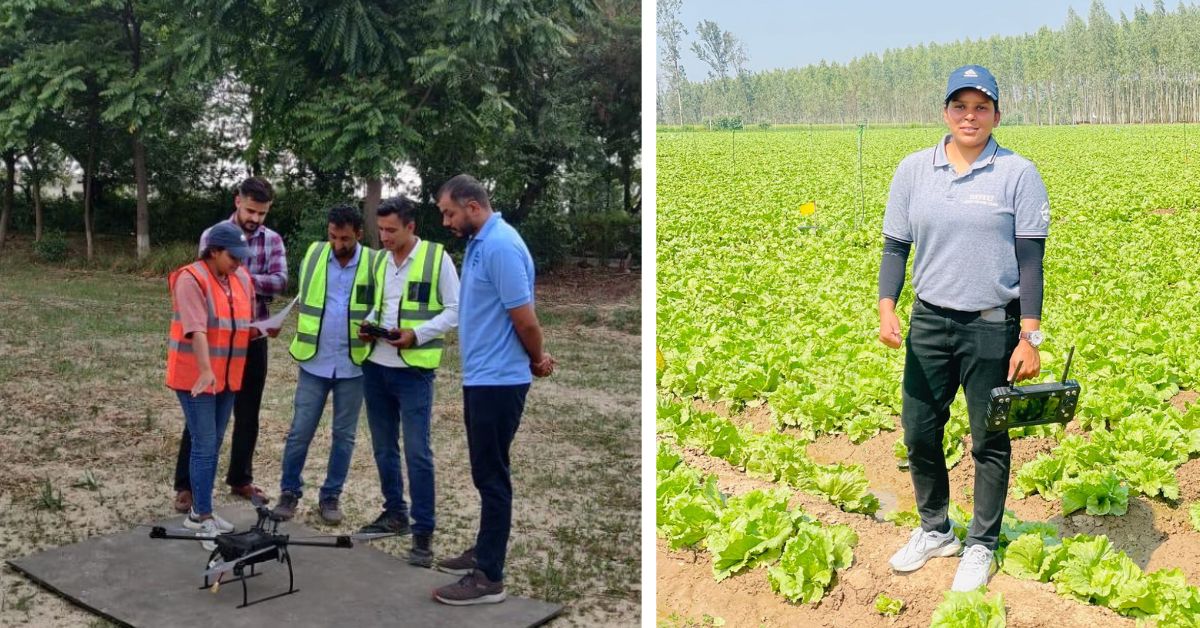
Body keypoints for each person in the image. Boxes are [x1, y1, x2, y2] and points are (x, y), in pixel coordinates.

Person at [879, 65, 1049, 592]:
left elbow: (1030, 263)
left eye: (981, 107)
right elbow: (895, 247)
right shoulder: (913, 170)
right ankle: (935, 529)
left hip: (991, 327)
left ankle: (981, 544)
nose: (969, 116)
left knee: (989, 440)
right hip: (928, 321)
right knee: (919, 431)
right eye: (960, 106)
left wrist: (1029, 336)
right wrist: (888, 305)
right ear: (945, 112)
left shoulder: (1018, 173)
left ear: (997, 114)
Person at [431, 174, 555, 605]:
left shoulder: (500, 246)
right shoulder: (481, 242)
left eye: (449, 212)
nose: (446, 221)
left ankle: (489, 577)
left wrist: (537, 359)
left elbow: (525, 320)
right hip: (482, 377)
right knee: (485, 472)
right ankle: (482, 553)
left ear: (473, 206)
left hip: (499, 381)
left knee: (492, 475)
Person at [355, 196, 460, 569]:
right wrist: (368, 325)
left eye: (391, 230)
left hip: (414, 372)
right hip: (376, 367)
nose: (383, 237)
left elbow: (456, 310)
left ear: (410, 227)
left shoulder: (436, 258)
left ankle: (423, 533)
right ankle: (394, 513)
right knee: (384, 449)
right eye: (380, 229)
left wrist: (418, 334)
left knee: (417, 453)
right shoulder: (381, 261)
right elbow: (380, 304)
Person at [174, 177, 287, 512]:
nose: (255, 218)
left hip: (253, 337)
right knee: (201, 417)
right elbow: (208, 279)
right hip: (214, 342)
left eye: (262, 213)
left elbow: (280, 282)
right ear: (237, 200)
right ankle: (187, 486)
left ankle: (240, 477)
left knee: (247, 411)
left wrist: (239, 275)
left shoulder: (273, 240)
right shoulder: (214, 235)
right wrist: (245, 276)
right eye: (251, 210)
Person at [272, 206, 384, 524]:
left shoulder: (375, 262)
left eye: (345, 238)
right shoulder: (315, 253)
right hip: (314, 361)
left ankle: (331, 496)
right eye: (333, 236)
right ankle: (289, 492)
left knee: (343, 436)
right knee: (298, 433)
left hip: (354, 365)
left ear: (359, 234)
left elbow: (385, 304)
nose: (337, 244)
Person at [166, 222, 259, 543]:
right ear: (214, 251)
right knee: (204, 444)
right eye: (233, 256)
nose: (239, 262)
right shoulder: (191, 279)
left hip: (227, 378)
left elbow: (238, 323)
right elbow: (197, 330)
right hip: (196, 378)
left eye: (241, 257)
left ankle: (203, 510)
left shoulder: (240, 278)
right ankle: (200, 515)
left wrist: (261, 328)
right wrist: (205, 370)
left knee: (214, 442)